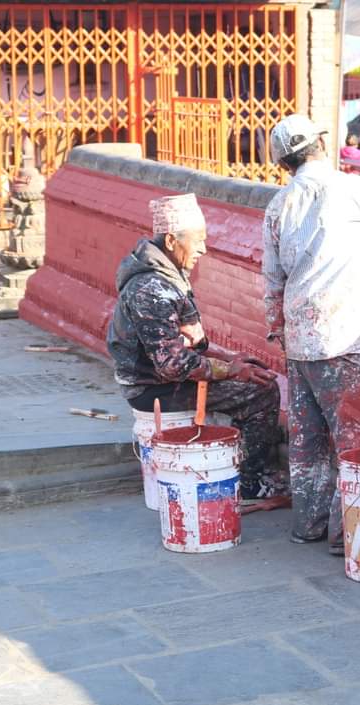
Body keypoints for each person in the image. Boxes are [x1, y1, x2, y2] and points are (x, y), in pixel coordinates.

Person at [263, 114, 360, 553]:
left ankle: (307, 524)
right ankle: (348, 535)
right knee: (358, 437)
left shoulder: (277, 206)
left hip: (300, 338)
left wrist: (280, 330)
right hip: (346, 335)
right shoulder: (352, 188)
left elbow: (272, 282)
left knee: (307, 439)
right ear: (322, 145)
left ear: (283, 162)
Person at [107, 194, 285, 503]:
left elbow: (190, 345)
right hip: (153, 388)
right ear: (173, 240)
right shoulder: (151, 288)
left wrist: (230, 359)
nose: (203, 248)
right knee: (261, 393)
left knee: (254, 376)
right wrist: (233, 371)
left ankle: (239, 467)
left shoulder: (167, 277)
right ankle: (248, 481)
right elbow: (173, 365)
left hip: (164, 380)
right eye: (198, 240)